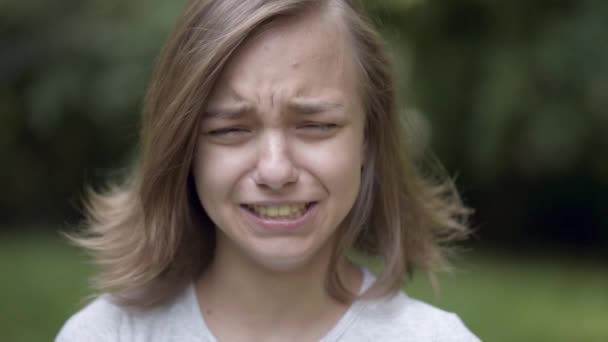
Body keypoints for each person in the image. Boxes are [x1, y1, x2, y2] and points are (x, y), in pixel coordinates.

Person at [56, 0, 480, 341]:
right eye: (230, 129)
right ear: (184, 147)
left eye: (316, 125)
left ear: (367, 138)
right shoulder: (106, 335)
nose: (276, 171)